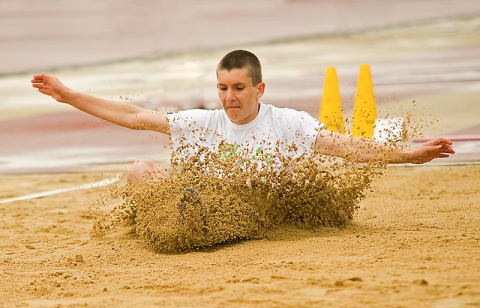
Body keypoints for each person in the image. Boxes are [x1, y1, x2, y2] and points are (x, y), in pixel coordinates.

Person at [31, 50, 455, 184]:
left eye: (238, 88)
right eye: (222, 88)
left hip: (263, 210)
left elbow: (344, 146)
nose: (229, 97)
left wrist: (405, 154)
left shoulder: (288, 122)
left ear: (258, 89)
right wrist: (69, 96)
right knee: (140, 171)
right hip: (207, 207)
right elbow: (134, 115)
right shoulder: (203, 121)